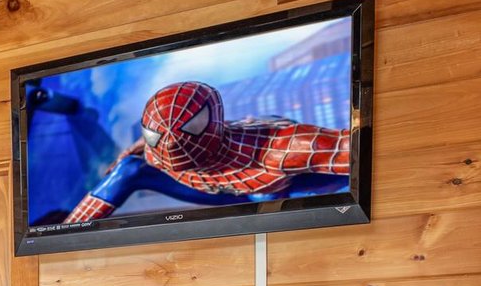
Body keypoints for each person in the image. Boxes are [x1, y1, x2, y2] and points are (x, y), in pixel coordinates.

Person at [63, 80, 351, 224]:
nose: (170, 149)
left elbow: (352, 151)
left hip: (270, 187)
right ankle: (65, 232)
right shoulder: (160, 145)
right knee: (128, 170)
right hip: (218, 189)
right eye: (157, 140)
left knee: (269, 200)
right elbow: (162, 133)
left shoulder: (283, 147)